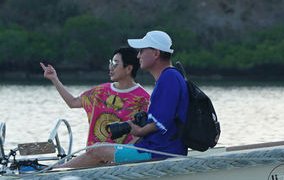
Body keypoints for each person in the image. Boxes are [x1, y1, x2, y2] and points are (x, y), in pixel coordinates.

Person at [60, 30, 189, 168]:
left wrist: (138, 131)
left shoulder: (168, 78)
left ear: (156, 53)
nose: (138, 56)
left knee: (96, 150)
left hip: (158, 151)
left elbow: (161, 122)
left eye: (142, 51)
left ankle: (54, 175)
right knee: (98, 148)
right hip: (159, 148)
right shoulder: (170, 77)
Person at [41, 47, 151, 146]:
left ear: (128, 69)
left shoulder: (143, 99)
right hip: (93, 157)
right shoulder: (101, 91)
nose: (110, 68)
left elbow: (142, 135)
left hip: (122, 160)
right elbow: (73, 102)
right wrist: (54, 79)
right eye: (110, 63)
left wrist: (119, 154)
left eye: (115, 64)